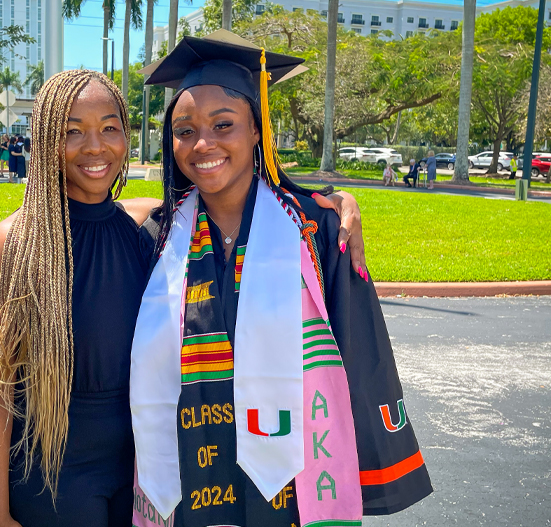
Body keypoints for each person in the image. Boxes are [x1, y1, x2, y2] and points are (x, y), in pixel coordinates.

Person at [0, 69, 369, 527]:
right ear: (43, 140)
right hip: (56, 479)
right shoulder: (14, 243)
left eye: (109, 128)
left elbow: (211, 197)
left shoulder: (148, 231)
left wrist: (333, 202)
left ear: (127, 135)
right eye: (72, 131)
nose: (95, 146)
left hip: (149, 478)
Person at [129, 32, 432, 527]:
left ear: (256, 132)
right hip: (187, 472)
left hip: (294, 477)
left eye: (223, 124)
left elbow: (357, 349)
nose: (202, 143)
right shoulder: (157, 238)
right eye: (184, 131)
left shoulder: (314, 229)